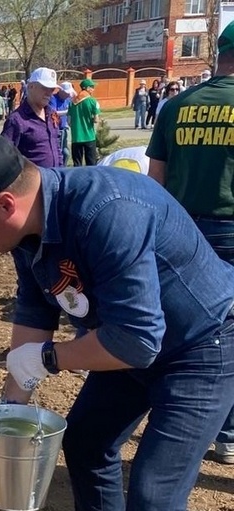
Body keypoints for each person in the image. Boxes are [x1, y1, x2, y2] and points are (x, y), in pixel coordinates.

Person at [0, 133, 234, 511]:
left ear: (6, 204)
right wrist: (10, 406)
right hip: (124, 343)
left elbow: (137, 340)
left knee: (154, 498)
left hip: (202, 349)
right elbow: (35, 310)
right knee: (87, 439)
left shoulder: (107, 211)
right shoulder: (30, 232)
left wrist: (47, 360)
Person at [146, 20, 234, 465]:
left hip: (183, 232)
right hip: (231, 230)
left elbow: (154, 182)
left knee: (180, 323)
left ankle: (174, 414)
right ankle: (228, 431)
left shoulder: (175, 106)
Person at [2, 67, 62, 167]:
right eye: (44, 88)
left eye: (51, 89)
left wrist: (61, 172)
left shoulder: (51, 114)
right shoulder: (17, 120)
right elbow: (5, 157)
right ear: (30, 87)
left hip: (55, 179)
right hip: (32, 181)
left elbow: (57, 148)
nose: (49, 93)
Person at [67, 78, 100, 166]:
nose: (93, 89)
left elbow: (69, 122)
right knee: (91, 163)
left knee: (77, 164)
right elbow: (96, 120)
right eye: (92, 87)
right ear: (87, 88)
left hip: (76, 137)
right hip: (89, 136)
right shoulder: (93, 101)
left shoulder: (72, 103)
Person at [50, 81, 75, 166]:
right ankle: (59, 168)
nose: (68, 95)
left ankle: (63, 167)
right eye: (66, 93)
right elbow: (53, 112)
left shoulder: (67, 99)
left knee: (66, 153)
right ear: (61, 91)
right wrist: (67, 112)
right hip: (57, 129)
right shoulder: (53, 98)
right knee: (59, 152)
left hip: (64, 129)